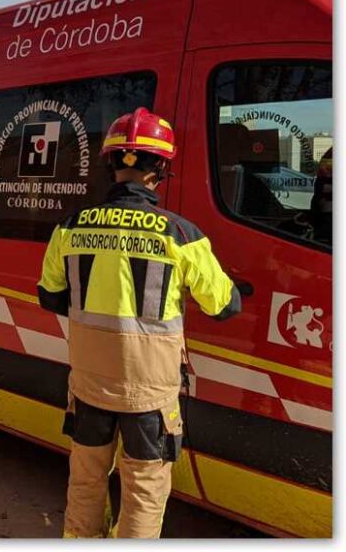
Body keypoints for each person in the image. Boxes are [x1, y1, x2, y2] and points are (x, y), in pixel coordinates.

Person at [37, 107, 241, 539]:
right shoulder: (182, 235)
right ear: (160, 169)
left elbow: (50, 296)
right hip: (149, 396)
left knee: (87, 477)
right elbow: (223, 304)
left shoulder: (70, 228)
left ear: (112, 164)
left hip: (89, 384)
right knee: (145, 488)